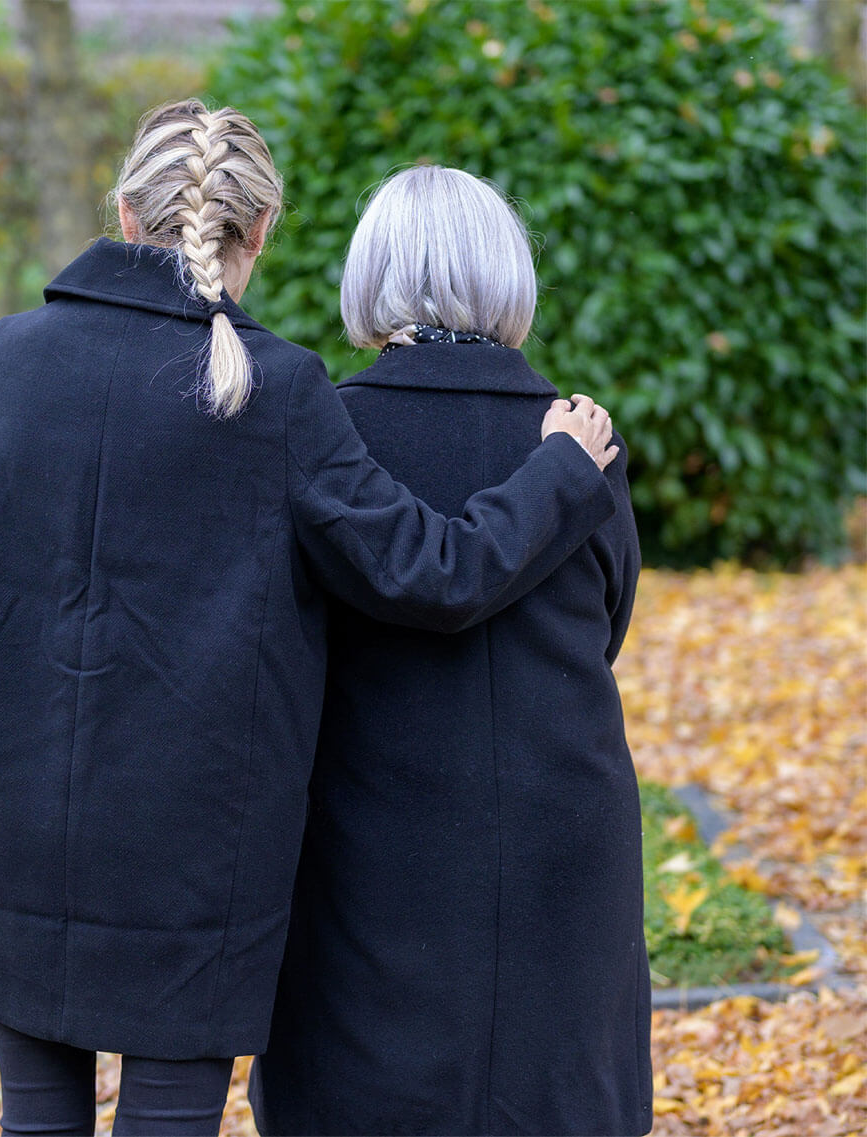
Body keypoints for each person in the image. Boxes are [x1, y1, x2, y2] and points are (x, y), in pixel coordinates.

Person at [0, 103, 619, 1135]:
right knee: (168, 1114)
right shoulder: (279, 389)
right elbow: (433, 576)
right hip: (189, 833)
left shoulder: (14, 354)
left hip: (12, 800)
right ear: (258, 234)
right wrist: (563, 473)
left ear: (123, 209)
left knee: (37, 1114)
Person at [249, 166, 654, 1137]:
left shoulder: (327, 433)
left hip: (370, 829)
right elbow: (609, 622)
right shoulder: (581, 439)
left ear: (370, 278)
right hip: (564, 819)